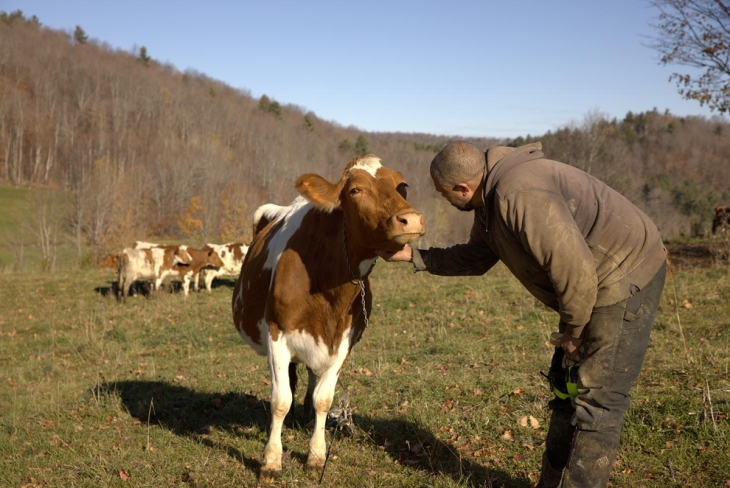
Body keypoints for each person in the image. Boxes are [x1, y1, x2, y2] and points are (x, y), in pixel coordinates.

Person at [379, 141, 667, 488]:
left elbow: (573, 268)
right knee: (566, 389)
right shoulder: (489, 201)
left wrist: (575, 331)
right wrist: (415, 256)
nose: (442, 199)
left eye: (443, 194)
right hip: (587, 286)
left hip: (623, 275)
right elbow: (475, 258)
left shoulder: (517, 193)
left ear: (462, 188)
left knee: (598, 401)